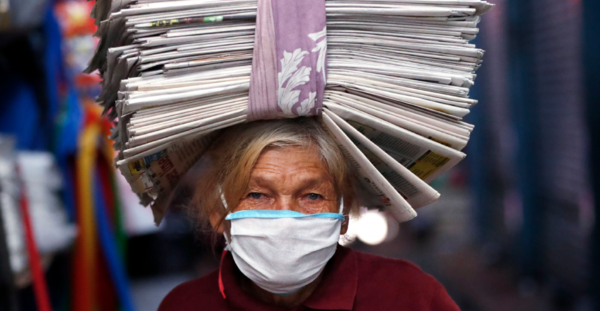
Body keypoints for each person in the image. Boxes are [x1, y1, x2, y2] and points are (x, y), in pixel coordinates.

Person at [158, 118, 460, 311]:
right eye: (257, 195)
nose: (286, 218)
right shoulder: (185, 305)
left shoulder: (409, 297)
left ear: (343, 215)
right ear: (218, 213)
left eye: (312, 196)